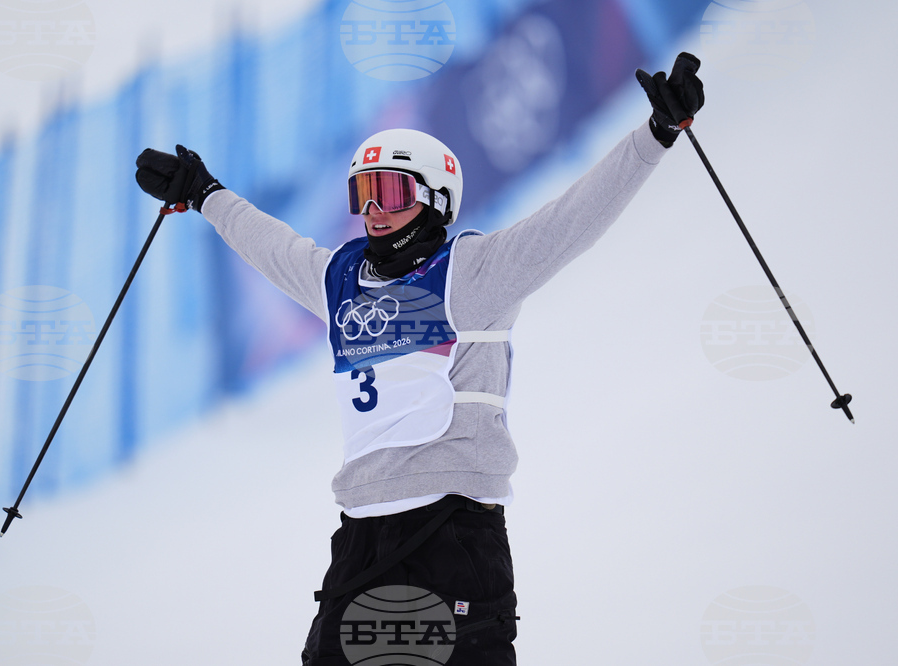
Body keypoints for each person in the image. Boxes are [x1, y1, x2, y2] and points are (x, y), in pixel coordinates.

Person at [135, 52, 704, 666]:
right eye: (363, 194)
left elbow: (571, 221)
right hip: (361, 538)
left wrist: (656, 134)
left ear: (435, 198)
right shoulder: (338, 280)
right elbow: (272, 245)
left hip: (451, 535)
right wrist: (205, 194)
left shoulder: (473, 273)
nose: (374, 210)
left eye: (390, 192)